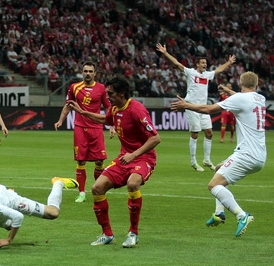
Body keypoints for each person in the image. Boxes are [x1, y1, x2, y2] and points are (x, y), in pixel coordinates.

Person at [67, 76, 161, 248]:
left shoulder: (137, 110)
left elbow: (155, 138)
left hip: (143, 158)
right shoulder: (115, 108)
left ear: (122, 93)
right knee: (97, 188)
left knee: (133, 184)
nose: (107, 97)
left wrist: (133, 155)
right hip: (124, 158)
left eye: (110, 93)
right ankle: (107, 233)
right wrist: (82, 112)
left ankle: (133, 233)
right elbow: (105, 119)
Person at [171, 71, 266, 237]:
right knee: (219, 168)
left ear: (240, 84)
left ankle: (242, 215)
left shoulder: (240, 99)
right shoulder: (260, 98)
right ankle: (219, 213)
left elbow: (208, 109)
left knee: (213, 185)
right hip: (259, 155)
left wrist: (186, 105)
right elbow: (244, 97)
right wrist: (230, 92)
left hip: (246, 154)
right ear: (256, 86)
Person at [156, 43, 236, 172]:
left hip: (203, 108)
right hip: (192, 107)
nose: (205, 64)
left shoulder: (207, 75)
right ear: (197, 64)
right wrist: (165, 53)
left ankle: (207, 160)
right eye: (203, 63)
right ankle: (193, 161)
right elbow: (177, 64)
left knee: (209, 133)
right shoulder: (190, 72)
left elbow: (219, 70)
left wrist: (229, 62)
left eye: (205, 63)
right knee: (195, 134)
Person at [54, 61, 113, 203]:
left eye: (90, 71)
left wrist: (111, 125)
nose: (88, 74)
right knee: (81, 160)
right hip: (80, 128)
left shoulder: (101, 89)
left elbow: (108, 108)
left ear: (95, 73)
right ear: (82, 72)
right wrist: (60, 120)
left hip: (97, 128)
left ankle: (99, 189)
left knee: (99, 161)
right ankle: (81, 193)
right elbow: (68, 106)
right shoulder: (74, 87)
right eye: (85, 71)